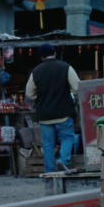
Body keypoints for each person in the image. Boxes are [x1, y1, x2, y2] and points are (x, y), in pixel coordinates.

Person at [26, 43, 79, 173]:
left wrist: (39, 100)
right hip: (64, 113)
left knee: (48, 145)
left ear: (41, 57)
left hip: (45, 116)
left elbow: (29, 94)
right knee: (67, 138)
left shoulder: (36, 72)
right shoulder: (66, 67)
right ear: (54, 53)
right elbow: (77, 88)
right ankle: (63, 160)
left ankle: (49, 173)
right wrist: (74, 99)